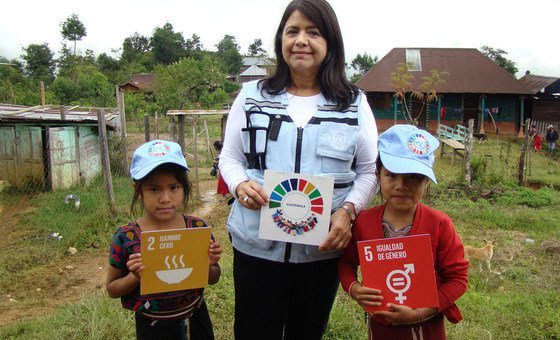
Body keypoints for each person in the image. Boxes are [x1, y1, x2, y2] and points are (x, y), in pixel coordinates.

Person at [218, 0, 378, 338]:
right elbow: (230, 158)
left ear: (330, 43)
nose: (301, 40)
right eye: (292, 31)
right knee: (253, 331)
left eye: (313, 32)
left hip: (320, 252)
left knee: (307, 331)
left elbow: (368, 170)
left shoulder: (353, 103)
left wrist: (347, 212)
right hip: (256, 246)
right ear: (280, 41)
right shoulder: (251, 96)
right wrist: (239, 186)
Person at [338, 125, 468, 340]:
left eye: (414, 177)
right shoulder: (363, 222)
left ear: (427, 181)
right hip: (380, 327)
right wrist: (354, 288)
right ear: (377, 175)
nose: (401, 185)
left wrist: (420, 313)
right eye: (391, 175)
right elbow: (346, 263)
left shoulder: (439, 224)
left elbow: (458, 279)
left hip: (427, 328)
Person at [106, 139, 222, 340]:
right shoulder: (126, 237)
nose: (165, 198)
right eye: (154, 189)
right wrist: (135, 276)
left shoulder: (197, 229)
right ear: (139, 190)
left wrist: (208, 264)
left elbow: (213, 278)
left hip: (196, 320)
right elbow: (112, 289)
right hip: (152, 327)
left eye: (174, 187)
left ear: (184, 188)